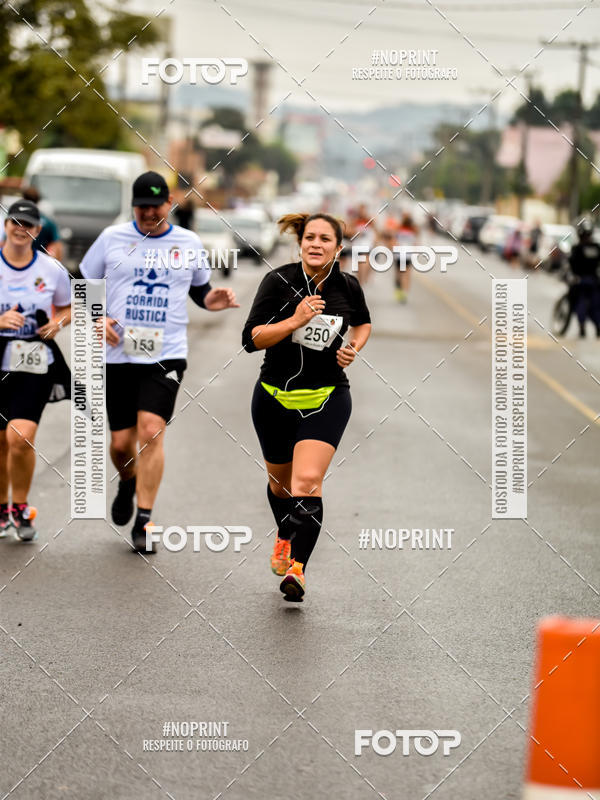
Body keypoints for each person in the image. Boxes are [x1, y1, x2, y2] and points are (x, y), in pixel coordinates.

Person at [80, 171, 239, 551]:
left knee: (151, 430)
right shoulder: (112, 238)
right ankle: (128, 480)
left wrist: (214, 301)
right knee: (120, 444)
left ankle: (145, 520)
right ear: (133, 206)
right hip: (117, 355)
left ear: (170, 204)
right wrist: (99, 318)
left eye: (155, 206)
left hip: (165, 353)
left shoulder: (188, 242)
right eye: (142, 207)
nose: (149, 213)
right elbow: (84, 285)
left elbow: (201, 291)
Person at [242, 212, 372, 601]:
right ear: (300, 243)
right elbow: (252, 339)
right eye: (310, 238)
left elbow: (363, 324)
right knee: (280, 486)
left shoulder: (348, 286)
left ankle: (297, 569)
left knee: (306, 483)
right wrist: (294, 319)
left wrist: (353, 347)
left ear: (338, 247)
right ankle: (284, 532)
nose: (316, 244)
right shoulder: (276, 281)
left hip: (327, 396)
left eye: (325, 239)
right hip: (273, 397)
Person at [0, 200, 72, 541]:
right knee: (0, 441)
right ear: (6, 224)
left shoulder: (51, 268)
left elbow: (70, 305)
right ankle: (2, 507)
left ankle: (21, 506)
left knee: (21, 437)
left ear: (37, 230)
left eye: (27, 224)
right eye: (15, 221)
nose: (20, 228)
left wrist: (57, 323)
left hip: (33, 357)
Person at [569, 221, 600, 338]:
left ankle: (582, 328)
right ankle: (598, 327)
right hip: (594, 281)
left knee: (580, 302)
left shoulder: (577, 248)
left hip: (581, 281)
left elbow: (571, 264)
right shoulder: (596, 247)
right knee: (596, 304)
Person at [21, 186, 64, 262]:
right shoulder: (48, 221)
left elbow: (4, 243)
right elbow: (57, 245)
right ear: (38, 201)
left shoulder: (15, 221)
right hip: (40, 262)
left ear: (23, 199)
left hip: (19, 260)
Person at [394, 212, 419, 303]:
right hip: (408, 255)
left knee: (399, 274)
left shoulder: (399, 230)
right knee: (407, 275)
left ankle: (399, 290)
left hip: (399, 255)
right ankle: (404, 292)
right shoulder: (413, 232)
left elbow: (395, 242)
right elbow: (415, 244)